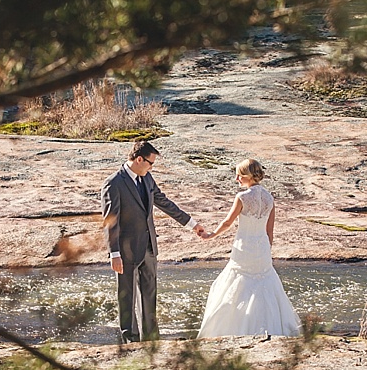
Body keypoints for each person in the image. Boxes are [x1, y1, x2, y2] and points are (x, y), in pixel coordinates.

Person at [102, 141, 207, 343]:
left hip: (149, 247)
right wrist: (114, 253)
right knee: (127, 297)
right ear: (139, 159)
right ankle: (130, 340)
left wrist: (192, 224)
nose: (152, 167)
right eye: (150, 163)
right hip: (125, 251)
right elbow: (110, 220)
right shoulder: (113, 183)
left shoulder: (147, 178)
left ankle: (151, 339)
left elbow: (164, 202)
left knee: (149, 294)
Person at [197, 158, 301, 338]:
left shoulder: (242, 197)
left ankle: (232, 329)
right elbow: (270, 230)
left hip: (244, 247)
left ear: (247, 175)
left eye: (239, 175)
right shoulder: (269, 198)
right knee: (264, 285)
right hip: (262, 248)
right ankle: (271, 328)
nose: (237, 179)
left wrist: (210, 235)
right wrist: (266, 250)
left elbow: (228, 222)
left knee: (237, 283)